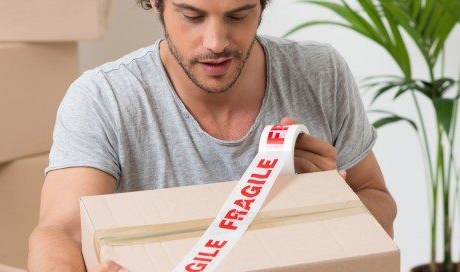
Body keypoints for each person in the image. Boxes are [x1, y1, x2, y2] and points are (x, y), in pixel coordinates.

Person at [28, 0, 397, 271]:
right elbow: (61, 233)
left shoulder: (319, 73)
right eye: (192, 16)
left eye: (239, 15)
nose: (216, 41)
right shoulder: (105, 97)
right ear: (156, 4)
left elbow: (377, 198)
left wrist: (330, 202)